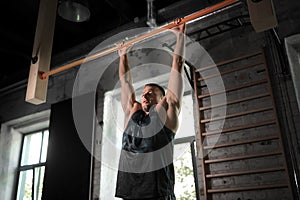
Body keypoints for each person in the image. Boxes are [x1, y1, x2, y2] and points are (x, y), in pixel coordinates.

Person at [115, 20, 186, 200]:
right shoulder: (132, 114)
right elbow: (125, 82)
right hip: (129, 193)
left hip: (158, 194)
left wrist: (179, 36)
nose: (145, 96)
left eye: (151, 93)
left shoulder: (167, 114)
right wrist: (123, 55)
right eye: (144, 93)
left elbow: (177, 65)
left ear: (161, 98)